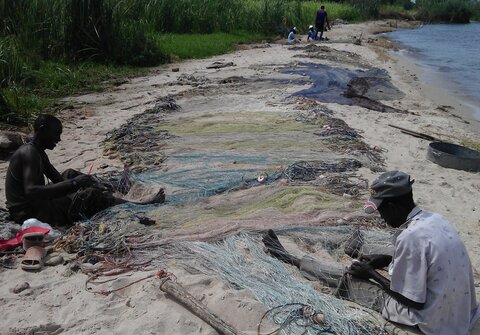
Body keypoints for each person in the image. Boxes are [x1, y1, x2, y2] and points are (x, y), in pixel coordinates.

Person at [263, 171, 479, 334]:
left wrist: (371, 275)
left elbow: (414, 302)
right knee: (387, 252)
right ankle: (357, 250)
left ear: (393, 207)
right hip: (459, 313)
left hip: (428, 319)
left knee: (348, 277)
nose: (381, 218)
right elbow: (427, 259)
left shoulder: (410, 237)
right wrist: (387, 259)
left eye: (382, 211)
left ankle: (291, 258)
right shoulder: (436, 220)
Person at [5, 114, 165, 227]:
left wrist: (80, 182)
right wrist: (76, 185)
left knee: (69, 173)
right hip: (29, 212)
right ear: (41, 130)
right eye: (56, 134)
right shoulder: (29, 153)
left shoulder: (38, 151)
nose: (59, 140)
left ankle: (112, 187)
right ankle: (138, 204)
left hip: (36, 204)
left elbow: (59, 179)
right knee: (89, 196)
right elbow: (31, 191)